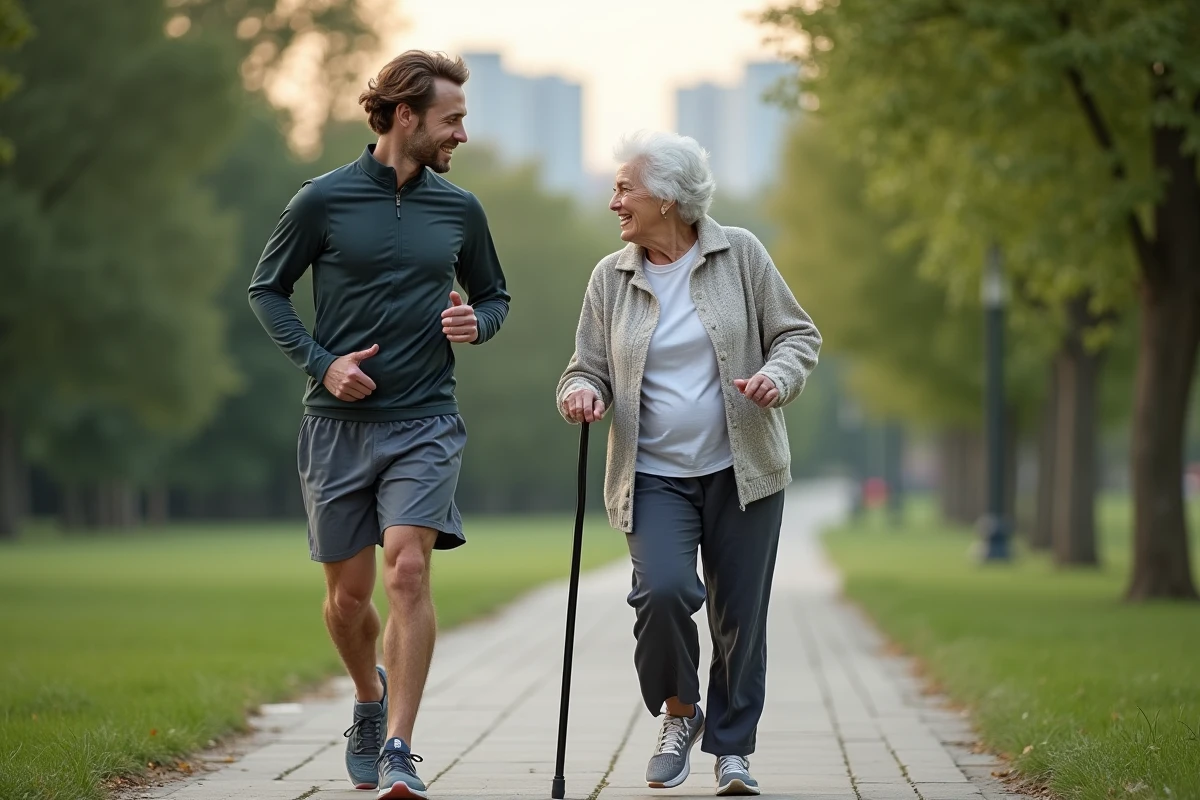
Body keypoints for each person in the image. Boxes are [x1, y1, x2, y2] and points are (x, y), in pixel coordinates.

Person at [248, 50, 509, 800]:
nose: (462, 133)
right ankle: (369, 696)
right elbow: (268, 290)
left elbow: (495, 295)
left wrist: (474, 323)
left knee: (408, 568)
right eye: (452, 119)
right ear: (405, 117)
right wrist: (321, 362)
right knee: (348, 600)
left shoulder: (460, 209)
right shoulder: (321, 201)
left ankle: (399, 745)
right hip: (337, 425)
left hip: (425, 419)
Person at [556, 131, 821, 796]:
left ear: (668, 200)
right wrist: (581, 391)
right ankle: (680, 713)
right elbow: (585, 366)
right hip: (652, 475)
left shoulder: (742, 256)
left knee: (740, 617)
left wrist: (776, 378)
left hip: (744, 470)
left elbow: (797, 335)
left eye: (625, 188)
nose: (615, 200)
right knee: (664, 591)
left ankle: (733, 753)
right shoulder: (608, 278)